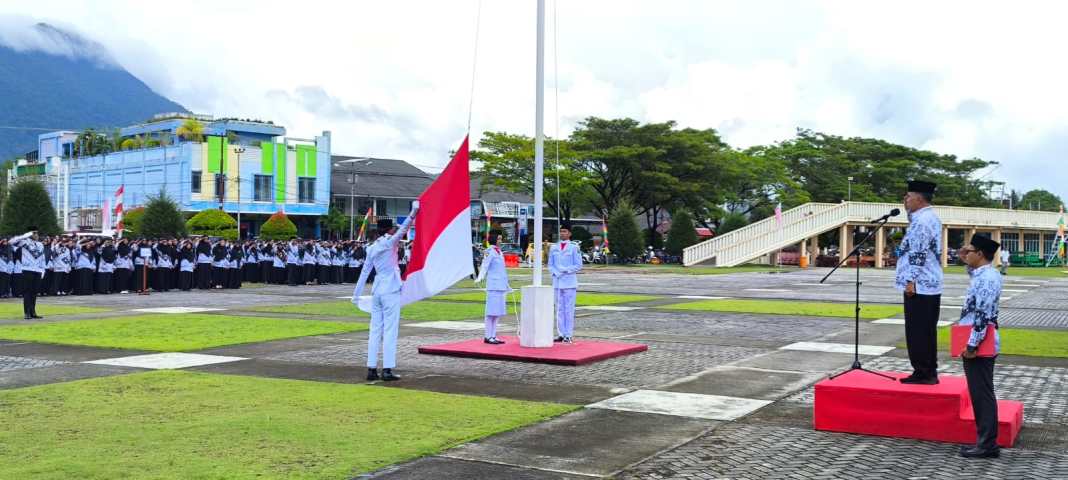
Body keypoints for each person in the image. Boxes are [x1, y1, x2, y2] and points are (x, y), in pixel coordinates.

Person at [352, 201, 419, 382]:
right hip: (390, 290)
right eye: (392, 229)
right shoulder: (389, 243)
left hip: (377, 291)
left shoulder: (371, 248)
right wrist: (413, 213)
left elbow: (365, 271)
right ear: (388, 231)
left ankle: (371, 368)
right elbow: (403, 230)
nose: (393, 231)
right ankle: (387, 369)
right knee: (390, 330)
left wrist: (356, 295)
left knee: (375, 330)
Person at [957, 235, 1003, 458]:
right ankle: (984, 441)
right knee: (979, 393)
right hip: (977, 340)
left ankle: (987, 444)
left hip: (980, 343)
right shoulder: (983, 274)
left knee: (982, 394)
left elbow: (983, 314)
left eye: (971, 250)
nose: (967, 253)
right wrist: (965, 259)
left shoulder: (987, 278)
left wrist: (972, 345)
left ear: (981, 254)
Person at [896, 180, 944, 385]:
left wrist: (910, 280)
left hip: (920, 284)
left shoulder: (922, 222)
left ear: (919, 198)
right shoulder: (928, 217)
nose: (905, 199)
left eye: (908, 196)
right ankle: (928, 370)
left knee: (917, 331)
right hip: (929, 283)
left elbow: (918, 253)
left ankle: (923, 372)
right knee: (926, 330)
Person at [549, 223, 583, 343]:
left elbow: (579, 265)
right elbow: (550, 264)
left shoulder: (574, 247)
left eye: (565, 231)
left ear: (569, 234)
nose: (563, 233)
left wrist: (566, 270)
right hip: (557, 281)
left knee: (568, 309)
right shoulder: (554, 247)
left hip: (569, 282)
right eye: (561, 231)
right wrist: (555, 272)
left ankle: (568, 334)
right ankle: (561, 333)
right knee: (559, 309)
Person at [475, 234, 509, 344]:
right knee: (490, 312)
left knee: (497, 312)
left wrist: (507, 285)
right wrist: (480, 278)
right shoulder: (489, 251)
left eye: (500, 238)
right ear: (494, 239)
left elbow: (502, 270)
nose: (500, 240)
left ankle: (494, 335)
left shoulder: (500, 252)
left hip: (501, 285)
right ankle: (487, 336)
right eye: (499, 238)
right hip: (493, 286)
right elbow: (485, 265)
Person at [11, 228, 45, 319]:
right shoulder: (24, 242)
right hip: (27, 269)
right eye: (34, 233)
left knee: (34, 292)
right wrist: (25, 235)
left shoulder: (40, 244)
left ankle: (33, 312)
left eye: (37, 233)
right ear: (30, 234)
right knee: (27, 292)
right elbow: (11, 242)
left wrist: (43, 270)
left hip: (37, 270)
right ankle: (27, 313)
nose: (37, 235)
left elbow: (42, 257)